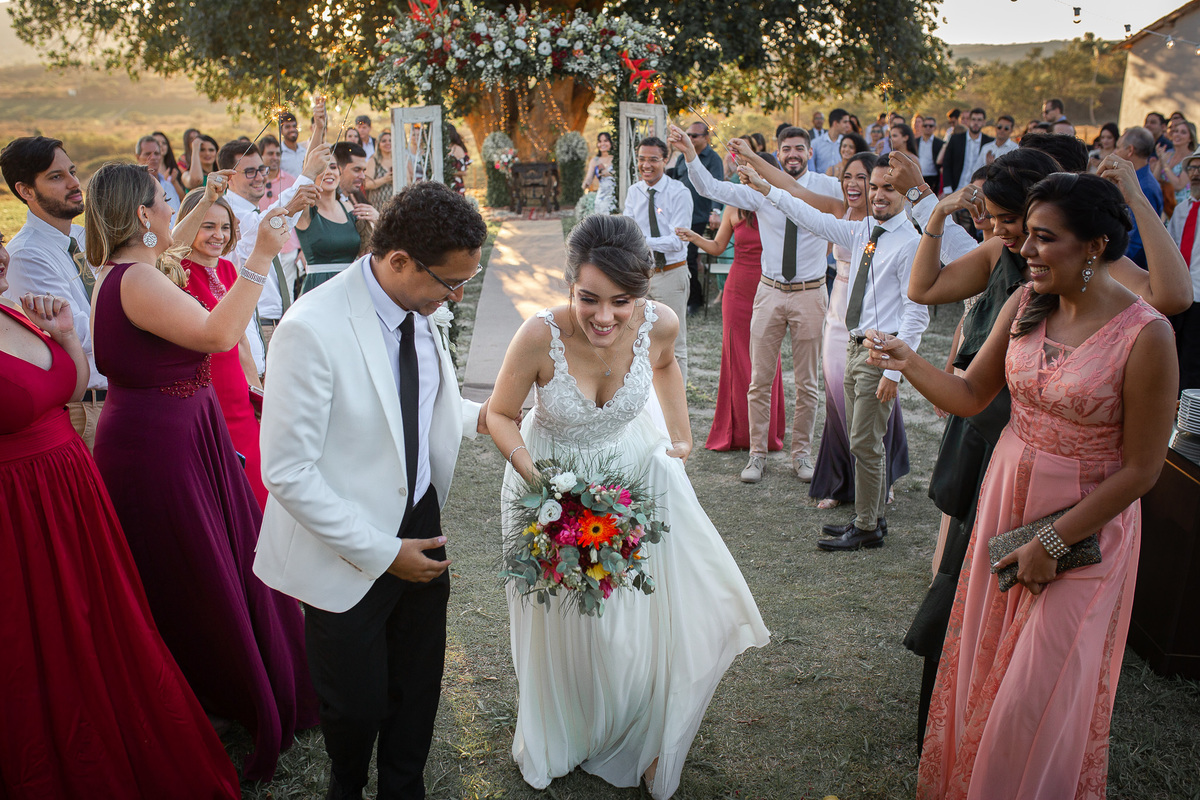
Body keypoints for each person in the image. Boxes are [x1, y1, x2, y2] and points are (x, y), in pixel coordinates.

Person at [880, 173, 1178, 799]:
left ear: (1094, 245)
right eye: (1029, 235)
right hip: (1004, 504)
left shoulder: (1147, 334)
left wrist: (1053, 541)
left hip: (1085, 529)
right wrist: (909, 363)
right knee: (987, 662)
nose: (1027, 249)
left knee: (1034, 694)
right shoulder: (1023, 304)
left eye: (1045, 237)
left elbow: (1143, 469)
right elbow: (970, 395)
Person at [487, 213, 769, 800]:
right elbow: (499, 415)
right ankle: (566, 729)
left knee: (624, 621)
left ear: (643, 292)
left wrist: (681, 436)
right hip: (546, 484)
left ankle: (632, 727)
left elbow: (664, 365)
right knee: (564, 620)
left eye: (622, 301)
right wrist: (542, 485)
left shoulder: (659, 324)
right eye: (589, 298)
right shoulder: (539, 336)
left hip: (627, 477)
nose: (604, 317)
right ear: (570, 284)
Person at [254, 181, 490, 800]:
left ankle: (403, 789)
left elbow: (421, 403)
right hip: (345, 541)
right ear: (400, 261)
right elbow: (287, 471)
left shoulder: (419, 308)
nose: (456, 296)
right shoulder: (311, 328)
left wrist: (491, 417)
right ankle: (348, 785)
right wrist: (385, 553)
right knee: (355, 705)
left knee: (418, 685)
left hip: (422, 520)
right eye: (450, 283)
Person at [85, 162, 318, 781]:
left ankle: (217, 689)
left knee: (199, 565)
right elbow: (218, 334)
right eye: (165, 202)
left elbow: (172, 245)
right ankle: (212, 693)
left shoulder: (123, 269)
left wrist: (209, 202)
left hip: (172, 432)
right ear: (142, 214)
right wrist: (259, 256)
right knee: (190, 572)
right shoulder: (137, 278)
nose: (173, 211)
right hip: (159, 445)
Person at [0, 241, 243, 799]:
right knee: (45, 645)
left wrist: (64, 336)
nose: (1, 256)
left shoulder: (16, 311)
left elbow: (68, 388)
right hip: (18, 513)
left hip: (70, 494)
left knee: (105, 626)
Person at [739, 153, 929, 550]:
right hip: (853, 346)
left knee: (865, 442)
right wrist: (767, 189)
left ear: (905, 194)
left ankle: (866, 525)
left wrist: (894, 372)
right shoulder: (863, 231)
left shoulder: (912, 242)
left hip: (881, 352)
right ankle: (871, 519)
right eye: (874, 187)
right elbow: (811, 218)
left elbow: (917, 314)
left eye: (888, 188)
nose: (878, 194)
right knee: (861, 440)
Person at [673, 125, 841, 483]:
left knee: (807, 383)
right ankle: (757, 455)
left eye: (799, 148)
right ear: (778, 154)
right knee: (759, 380)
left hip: (811, 292)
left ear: (810, 153)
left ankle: (802, 455)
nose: (793, 154)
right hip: (769, 292)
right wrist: (689, 152)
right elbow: (710, 188)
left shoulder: (827, 186)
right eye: (786, 149)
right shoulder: (759, 191)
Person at [797, 151, 910, 510]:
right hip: (840, 314)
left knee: (875, 401)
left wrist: (895, 368)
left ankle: (880, 481)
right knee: (837, 399)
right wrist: (763, 180)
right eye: (850, 177)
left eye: (865, 178)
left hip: (875, 324)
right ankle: (838, 481)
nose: (856, 185)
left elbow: (914, 308)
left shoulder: (898, 233)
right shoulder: (845, 217)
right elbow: (797, 200)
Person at [1, 136, 106, 450]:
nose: (74, 183)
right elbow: (87, 335)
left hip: (112, 399)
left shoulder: (82, 237)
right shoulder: (27, 254)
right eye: (56, 177)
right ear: (26, 191)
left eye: (72, 171)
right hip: (86, 408)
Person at [174, 186, 269, 508]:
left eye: (225, 227)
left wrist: (256, 392)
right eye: (208, 225)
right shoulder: (174, 275)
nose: (219, 235)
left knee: (256, 484)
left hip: (238, 395)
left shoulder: (229, 269)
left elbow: (241, 339)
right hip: (202, 393)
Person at [675, 192, 788, 453]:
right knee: (737, 359)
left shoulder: (779, 205)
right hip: (738, 289)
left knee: (768, 357)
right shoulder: (733, 208)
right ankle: (738, 432)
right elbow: (718, 246)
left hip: (769, 287)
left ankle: (765, 431)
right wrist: (694, 237)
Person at [222, 134, 327, 356]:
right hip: (255, 323)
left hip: (275, 319)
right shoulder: (230, 214)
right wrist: (308, 174)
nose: (260, 177)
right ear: (229, 177)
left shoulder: (254, 211)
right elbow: (264, 226)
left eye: (262, 170)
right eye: (250, 172)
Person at [622, 135, 693, 384]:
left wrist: (642, 241)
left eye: (653, 159)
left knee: (675, 342)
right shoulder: (634, 192)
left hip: (672, 274)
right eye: (641, 159)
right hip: (641, 276)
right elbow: (627, 232)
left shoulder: (679, 193)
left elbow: (678, 241)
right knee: (636, 340)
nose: (646, 165)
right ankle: (645, 397)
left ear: (665, 160)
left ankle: (677, 402)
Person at [297, 141, 379, 294]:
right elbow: (308, 169)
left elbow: (368, 255)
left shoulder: (350, 209)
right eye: (321, 168)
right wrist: (319, 130)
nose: (328, 172)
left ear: (339, 172)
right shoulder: (306, 211)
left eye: (333, 167)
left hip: (351, 287)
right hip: (319, 289)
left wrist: (377, 222)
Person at [667, 121, 724, 314]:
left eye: (694, 135)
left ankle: (695, 300)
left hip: (699, 215)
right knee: (678, 256)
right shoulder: (682, 157)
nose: (690, 138)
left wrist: (715, 211)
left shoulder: (713, 159)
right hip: (678, 213)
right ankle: (681, 296)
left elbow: (718, 186)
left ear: (706, 137)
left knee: (690, 257)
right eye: (688, 134)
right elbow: (675, 182)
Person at [1166, 147, 1200, 391]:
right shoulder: (1181, 210)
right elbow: (1171, 249)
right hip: (1179, 294)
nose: (1196, 173)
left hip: (1199, 297)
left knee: (1192, 359)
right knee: (1173, 355)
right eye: (1193, 168)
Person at [1116, 126, 1164, 268]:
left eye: (1118, 148)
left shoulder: (1145, 187)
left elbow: (1137, 240)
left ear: (1130, 150)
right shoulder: (1137, 181)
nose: (1115, 153)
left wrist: (1114, 265)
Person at [940, 108, 992, 196]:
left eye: (979, 120)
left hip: (978, 192)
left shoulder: (989, 142)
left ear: (984, 122)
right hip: (956, 190)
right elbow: (947, 164)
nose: (976, 123)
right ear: (969, 121)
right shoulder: (955, 139)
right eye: (973, 119)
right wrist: (947, 189)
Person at [1156, 117, 1196, 210]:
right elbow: (1154, 180)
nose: (1177, 134)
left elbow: (1179, 185)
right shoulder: (1167, 154)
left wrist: (1165, 164)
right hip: (1162, 206)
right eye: (1176, 131)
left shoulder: (1191, 159)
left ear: (1190, 138)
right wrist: (1160, 161)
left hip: (1181, 208)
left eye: (1183, 132)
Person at [136, 134, 181, 215]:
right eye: (148, 154)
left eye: (156, 153)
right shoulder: (135, 187)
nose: (153, 157)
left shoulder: (169, 186)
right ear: (138, 157)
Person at [583, 131, 616, 215]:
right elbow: (589, 177)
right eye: (600, 141)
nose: (602, 144)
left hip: (615, 196)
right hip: (601, 198)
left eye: (605, 141)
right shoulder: (595, 161)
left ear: (610, 142)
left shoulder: (616, 158)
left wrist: (609, 173)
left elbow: (621, 174)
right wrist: (586, 183)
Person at [811, 108, 850, 174]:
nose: (848, 126)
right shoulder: (815, 143)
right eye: (845, 122)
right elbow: (811, 169)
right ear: (835, 123)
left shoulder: (846, 144)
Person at [365, 127, 395, 210]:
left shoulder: (398, 161)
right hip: (378, 205)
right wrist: (384, 179)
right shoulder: (373, 161)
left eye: (390, 140)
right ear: (378, 144)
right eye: (384, 141)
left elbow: (408, 181)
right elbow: (367, 184)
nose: (388, 143)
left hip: (395, 205)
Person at [916, 116, 945, 189]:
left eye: (930, 126)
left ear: (934, 127)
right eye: (925, 126)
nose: (928, 128)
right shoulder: (915, 142)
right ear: (922, 127)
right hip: (917, 176)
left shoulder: (940, 143)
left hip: (933, 178)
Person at [278, 110, 309, 177]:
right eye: (287, 127)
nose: (292, 129)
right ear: (281, 131)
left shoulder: (305, 152)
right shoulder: (278, 154)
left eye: (294, 126)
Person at [447, 123, 471, 195]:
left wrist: (449, 172)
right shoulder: (445, 148)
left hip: (456, 186)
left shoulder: (457, 149)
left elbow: (464, 172)